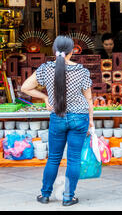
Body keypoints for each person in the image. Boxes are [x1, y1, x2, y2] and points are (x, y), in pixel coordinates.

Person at [21, 35, 94, 206]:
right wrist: (91, 120)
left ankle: (45, 195)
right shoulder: (82, 71)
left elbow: (25, 87)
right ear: (72, 52)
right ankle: (68, 197)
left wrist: (45, 97)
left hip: (58, 117)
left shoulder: (46, 69)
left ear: (54, 51)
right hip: (79, 117)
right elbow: (89, 99)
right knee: (74, 159)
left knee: (53, 158)